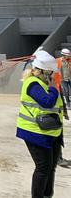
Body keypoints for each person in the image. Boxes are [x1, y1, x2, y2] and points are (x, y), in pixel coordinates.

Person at [16, 50, 64, 198]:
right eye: (50, 72)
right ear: (42, 71)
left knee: (51, 167)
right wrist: (54, 89)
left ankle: (47, 194)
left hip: (51, 131)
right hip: (35, 132)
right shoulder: (32, 83)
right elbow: (47, 102)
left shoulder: (43, 83)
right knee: (43, 168)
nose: (53, 75)